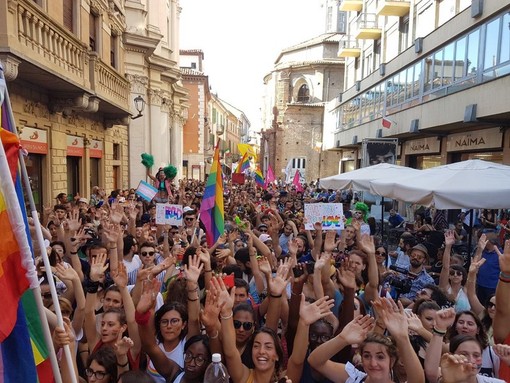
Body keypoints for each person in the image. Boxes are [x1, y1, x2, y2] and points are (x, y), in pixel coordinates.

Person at [308, 298, 425, 383]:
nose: (373, 363)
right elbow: (315, 361)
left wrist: (402, 337)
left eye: (380, 357)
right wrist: (342, 339)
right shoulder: (354, 378)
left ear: (392, 360)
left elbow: (418, 381)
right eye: (367, 356)